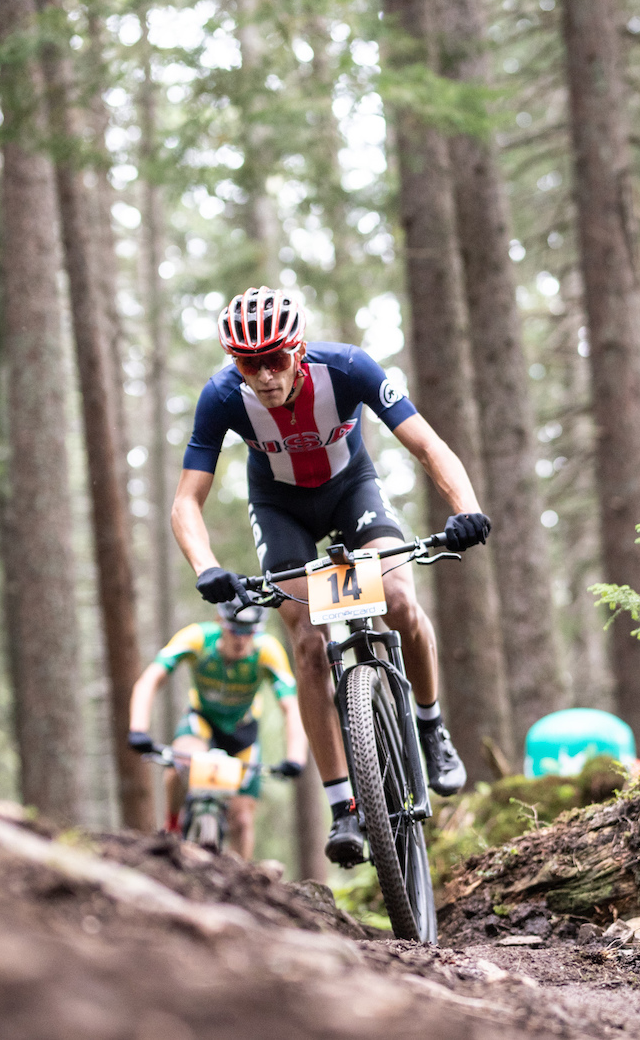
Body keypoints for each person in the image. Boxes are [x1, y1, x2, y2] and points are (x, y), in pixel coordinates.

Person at [167, 286, 489, 866]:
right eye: (248, 362)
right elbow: (187, 500)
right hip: (281, 508)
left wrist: (464, 507)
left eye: (275, 359)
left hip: (352, 493)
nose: (263, 375)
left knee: (395, 594)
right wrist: (206, 567)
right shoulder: (221, 397)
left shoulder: (348, 368)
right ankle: (345, 808)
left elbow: (427, 444)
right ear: (233, 362)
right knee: (309, 640)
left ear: (299, 349)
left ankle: (430, 723)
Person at [127, 598, 310, 860]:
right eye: (234, 629)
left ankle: (244, 882)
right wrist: (138, 728)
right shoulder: (198, 638)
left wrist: (295, 757)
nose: (241, 639)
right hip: (202, 723)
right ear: (220, 623)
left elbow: (291, 706)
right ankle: (172, 824)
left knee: (243, 820)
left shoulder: (267, 650)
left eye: (250, 632)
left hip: (242, 734)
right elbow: (150, 679)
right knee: (181, 760)